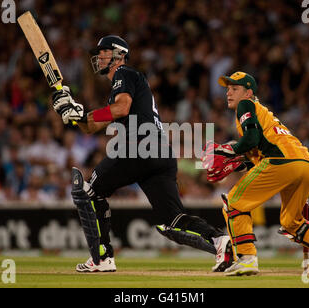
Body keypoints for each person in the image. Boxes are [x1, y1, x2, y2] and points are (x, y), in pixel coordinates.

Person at [51, 35, 233, 273]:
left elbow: (121, 109)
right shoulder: (126, 82)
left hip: (138, 146)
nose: (100, 56)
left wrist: (83, 113)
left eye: (105, 52)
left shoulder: (124, 74)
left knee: (89, 193)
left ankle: (102, 257)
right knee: (171, 222)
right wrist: (72, 114)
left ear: (120, 55)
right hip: (160, 153)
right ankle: (220, 240)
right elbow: (92, 126)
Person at [202, 71, 309, 276]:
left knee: (233, 203)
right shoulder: (264, 114)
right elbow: (258, 153)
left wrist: (227, 150)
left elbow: (251, 140)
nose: (228, 93)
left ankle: (246, 258)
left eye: (235, 89)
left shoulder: (246, 105)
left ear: (248, 92)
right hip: (305, 163)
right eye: (228, 89)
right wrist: (238, 162)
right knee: (292, 224)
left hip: (281, 161)